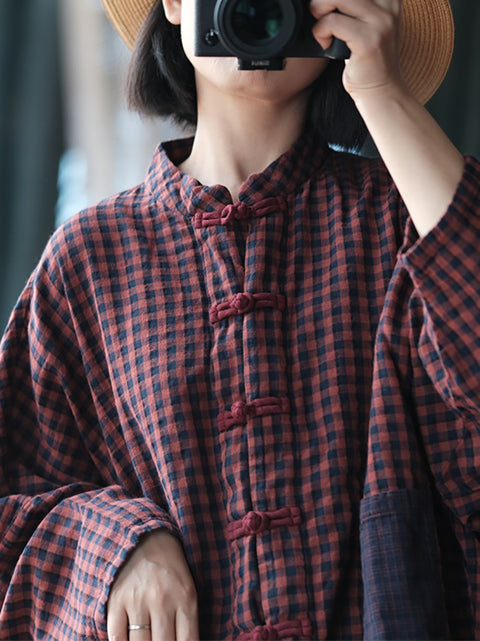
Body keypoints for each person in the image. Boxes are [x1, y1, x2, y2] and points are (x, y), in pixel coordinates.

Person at [0, 0, 479, 638]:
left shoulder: (405, 220)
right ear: (173, 3)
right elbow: (12, 502)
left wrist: (381, 89)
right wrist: (117, 546)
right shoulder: (90, 259)